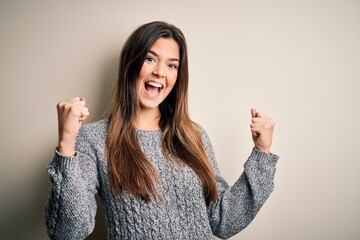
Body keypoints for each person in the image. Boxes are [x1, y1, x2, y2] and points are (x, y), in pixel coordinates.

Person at [45, 21, 279, 240]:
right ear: (130, 64)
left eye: (172, 65)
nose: (160, 72)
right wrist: (66, 145)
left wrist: (262, 154)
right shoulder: (94, 139)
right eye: (150, 59)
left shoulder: (193, 135)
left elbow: (223, 220)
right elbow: (68, 232)